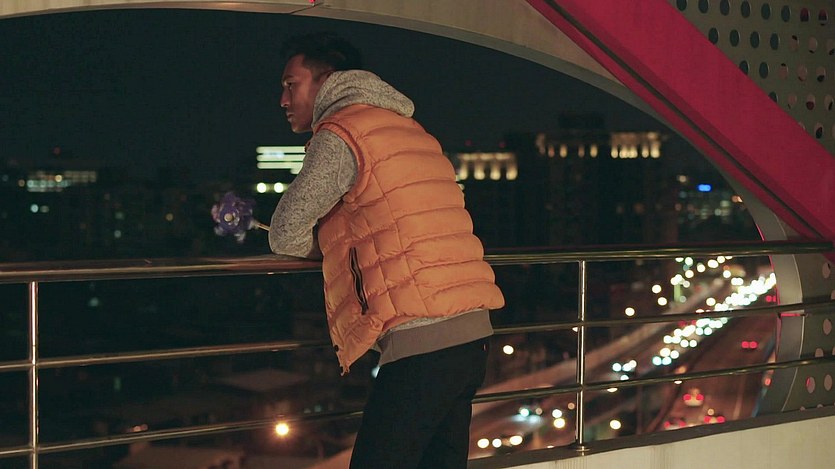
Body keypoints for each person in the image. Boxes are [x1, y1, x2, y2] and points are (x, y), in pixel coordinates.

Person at [268, 32, 504, 468]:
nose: (282, 99)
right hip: (471, 333)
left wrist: (325, 248)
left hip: (421, 340)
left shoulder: (342, 133)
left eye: (290, 84)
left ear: (327, 80)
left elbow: (284, 232)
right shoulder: (409, 129)